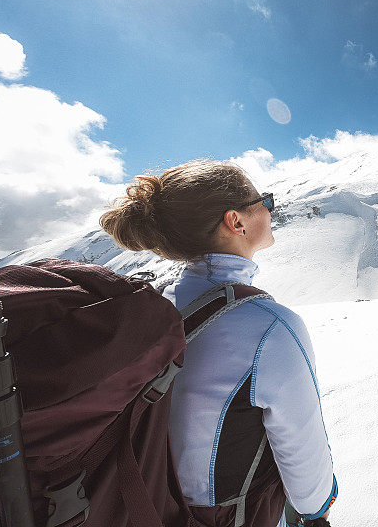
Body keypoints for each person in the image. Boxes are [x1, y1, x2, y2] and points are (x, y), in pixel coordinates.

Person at [99, 159, 337, 527]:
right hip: (225, 516)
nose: (271, 210)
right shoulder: (268, 326)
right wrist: (316, 511)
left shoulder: (155, 305)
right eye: (265, 201)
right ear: (235, 221)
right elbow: (305, 464)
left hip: (141, 504)